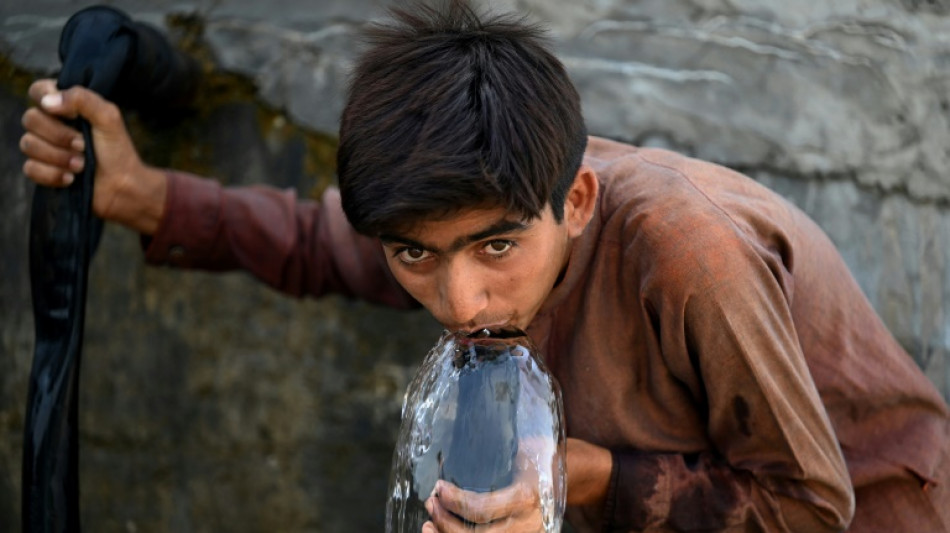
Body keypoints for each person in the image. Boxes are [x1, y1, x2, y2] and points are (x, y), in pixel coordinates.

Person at [19, 1, 950, 531]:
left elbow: (812, 503)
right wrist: (145, 199)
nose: (459, 301)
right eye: (413, 257)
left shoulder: (689, 255)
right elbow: (319, 242)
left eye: (496, 247)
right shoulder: (453, 219)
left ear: (576, 202)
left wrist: (579, 475)